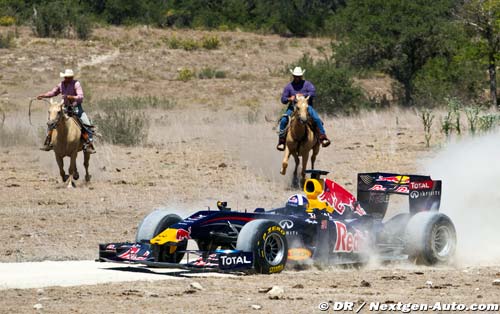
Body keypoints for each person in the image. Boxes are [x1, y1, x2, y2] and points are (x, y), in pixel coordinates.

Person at [37, 69, 96, 154]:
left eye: (69, 77)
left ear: (72, 77)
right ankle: (48, 141)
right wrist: (43, 95)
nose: (67, 79)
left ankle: (88, 144)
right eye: (66, 77)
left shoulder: (76, 84)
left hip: (76, 108)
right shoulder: (61, 85)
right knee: (53, 121)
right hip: (65, 108)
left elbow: (80, 96)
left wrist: (72, 97)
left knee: (87, 124)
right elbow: (53, 92)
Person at [277, 67, 330, 151]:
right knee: (283, 120)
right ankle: (281, 141)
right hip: (293, 107)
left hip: (306, 106)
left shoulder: (307, 84)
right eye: (295, 76)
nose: (297, 77)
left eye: (299, 76)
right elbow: (283, 99)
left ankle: (323, 137)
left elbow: (313, 93)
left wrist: (303, 95)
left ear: (301, 76)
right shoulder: (289, 86)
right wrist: (289, 99)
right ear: (293, 76)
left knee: (316, 118)